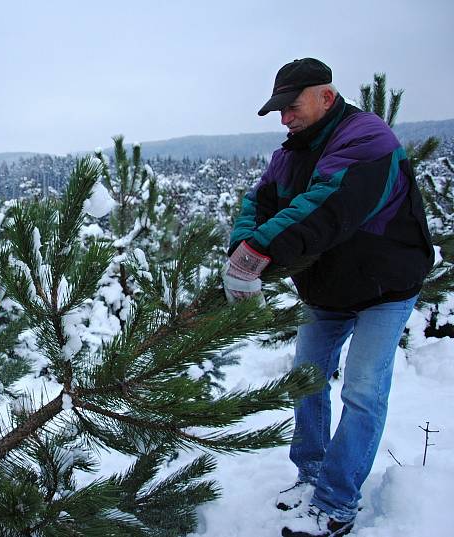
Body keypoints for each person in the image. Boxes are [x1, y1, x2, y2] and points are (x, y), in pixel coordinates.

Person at [224, 59, 433, 537]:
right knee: (307, 380)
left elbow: (323, 206)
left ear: (325, 96)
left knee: (361, 390)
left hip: (386, 287)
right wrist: (241, 249)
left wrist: (257, 254)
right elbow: (258, 203)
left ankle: (338, 502)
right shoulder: (290, 153)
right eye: (278, 110)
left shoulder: (368, 140)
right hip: (328, 292)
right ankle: (311, 475)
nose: (284, 119)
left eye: (291, 106)